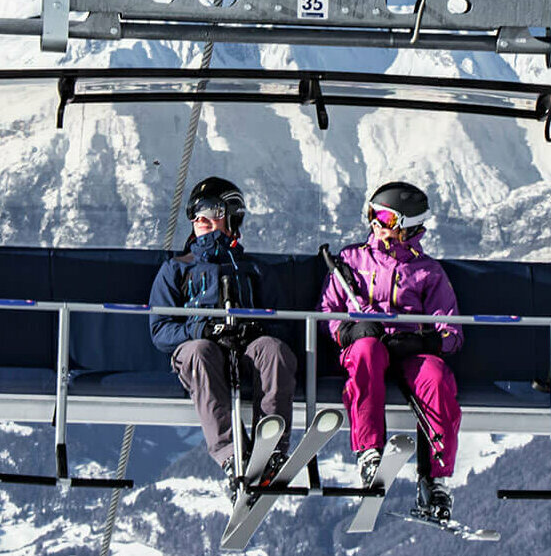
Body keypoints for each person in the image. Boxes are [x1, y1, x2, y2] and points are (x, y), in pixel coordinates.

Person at [318, 181, 463, 519]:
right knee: (367, 352)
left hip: (409, 350)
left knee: (435, 376)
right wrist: (350, 331)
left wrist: (423, 341)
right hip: (368, 345)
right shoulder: (351, 261)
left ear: (407, 225)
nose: (375, 223)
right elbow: (327, 312)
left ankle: (435, 480)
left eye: (384, 217)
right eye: (372, 214)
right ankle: (369, 452)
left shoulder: (427, 272)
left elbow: (452, 332)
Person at [149, 176, 297, 504]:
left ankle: (270, 446)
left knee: (273, 350)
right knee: (200, 352)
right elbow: (160, 330)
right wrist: (201, 331)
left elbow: (283, 324)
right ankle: (232, 454)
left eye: (211, 211)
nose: (200, 218)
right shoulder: (177, 269)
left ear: (231, 217)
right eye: (195, 212)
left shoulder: (254, 270)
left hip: (246, 353)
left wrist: (255, 329)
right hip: (201, 353)